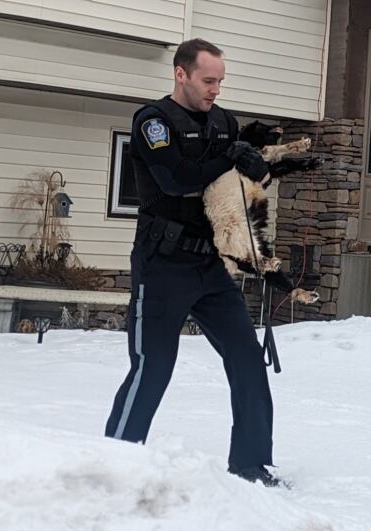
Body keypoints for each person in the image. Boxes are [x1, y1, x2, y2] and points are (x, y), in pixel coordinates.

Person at [104, 38, 280, 487]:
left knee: (246, 360)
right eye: (208, 80)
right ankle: (113, 463)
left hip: (212, 268)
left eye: (220, 81)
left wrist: (257, 166)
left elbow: (237, 189)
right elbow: (177, 178)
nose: (215, 89)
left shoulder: (225, 122)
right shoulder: (153, 121)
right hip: (163, 264)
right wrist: (229, 156)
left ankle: (251, 465)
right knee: (153, 365)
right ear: (181, 74)